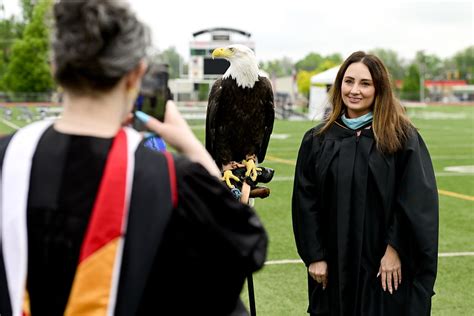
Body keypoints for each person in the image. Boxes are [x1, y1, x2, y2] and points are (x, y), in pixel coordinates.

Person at [0, 1, 267, 315]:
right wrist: (193, 149)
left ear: (55, 66)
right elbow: (245, 247)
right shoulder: (170, 178)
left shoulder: (7, 160)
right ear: (137, 74)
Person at [292, 51, 438, 316]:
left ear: (379, 88)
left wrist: (395, 250)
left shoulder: (401, 138)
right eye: (348, 82)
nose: (354, 90)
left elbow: (415, 200)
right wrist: (315, 256)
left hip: (383, 264)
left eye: (365, 83)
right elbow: (305, 201)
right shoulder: (318, 140)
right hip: (333, 264)